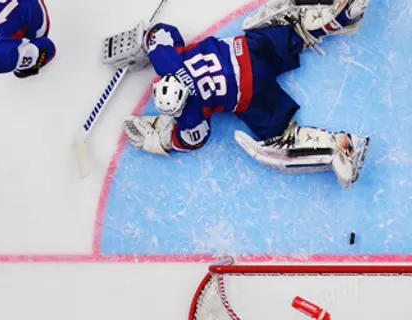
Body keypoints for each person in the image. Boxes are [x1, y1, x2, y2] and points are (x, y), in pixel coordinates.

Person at [121, 0, 370, 188]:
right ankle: (339, 17)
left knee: (280, 138)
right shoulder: (166, 61)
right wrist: (146, 42)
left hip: (251, 95)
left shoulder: (190, 113)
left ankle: (341, 147)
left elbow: (194, 139)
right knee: (292, 31)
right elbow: (162, 33)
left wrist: (162, 140)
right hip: (249, 51)